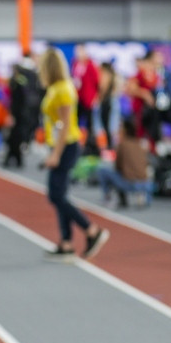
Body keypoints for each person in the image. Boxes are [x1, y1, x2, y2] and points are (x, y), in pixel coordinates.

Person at [38, 47, 108, 261]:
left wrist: (56, 154)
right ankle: (66, 242)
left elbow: (66, 124)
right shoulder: (56, 88)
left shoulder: (63, 90)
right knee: (60, 194)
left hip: (66, 145)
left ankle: (91, 230)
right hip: (60, 144)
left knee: (55, 194)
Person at [97, 119, 151, 208]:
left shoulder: (122, 145)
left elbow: (118, 167)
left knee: (103, 170)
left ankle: (107, 197)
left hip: (129, 183)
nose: (118, 132)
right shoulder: (140, 144)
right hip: (144, 182)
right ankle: (137, 195)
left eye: (120, 129)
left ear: (125, 131)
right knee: (119, 173)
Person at [5, 52, 42, 168]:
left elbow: (18, 98)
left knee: (16, 135)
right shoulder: (29, 76)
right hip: (25, 111)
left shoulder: (20, 80)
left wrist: (12, 114)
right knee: (16, 135)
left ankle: (16, 158)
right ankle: (15, 158)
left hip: (21, 112)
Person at [126, 50, 162, 152]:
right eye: (158, 57)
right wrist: (144, 94)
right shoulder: (141, 72)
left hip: (153, 111)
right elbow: (130, 89)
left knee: (153, 134)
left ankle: (153, 155)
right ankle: (139, 155)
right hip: (141, 110)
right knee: (140, 133)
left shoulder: (156, 73)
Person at [72, 44, 104, 154]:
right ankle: (77, 142)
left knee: (90, 123)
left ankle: (91, 144)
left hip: (89, 99)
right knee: (75, 120)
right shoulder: (76, 64)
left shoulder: (91, 65)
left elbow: (97, 82)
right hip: (78, 98)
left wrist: (96, 97)